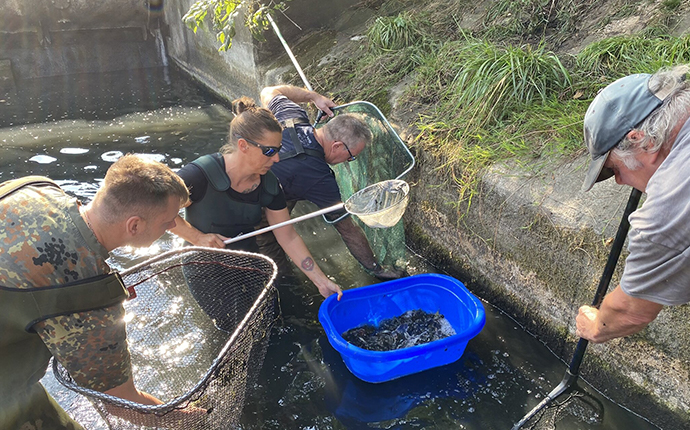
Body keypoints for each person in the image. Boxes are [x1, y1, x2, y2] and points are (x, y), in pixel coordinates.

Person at [0, 154, 194, 430]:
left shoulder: (36, 188)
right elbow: (122, 402)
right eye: (169, 220)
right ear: (134, 226)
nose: (173, 226)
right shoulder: (89, 294)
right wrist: (193, 418)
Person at [169, 96, 342, 300]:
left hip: (248, 262)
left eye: (277, 150)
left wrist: (320, 281)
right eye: (269, 151)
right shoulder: (199, 175)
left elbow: (287, 235)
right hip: (204, 268)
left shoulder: (269, 185)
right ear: (243, 145)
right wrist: (198, 238)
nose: (276, 158)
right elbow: (157, 212)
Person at [576, 64, 690, 343]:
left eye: (615, 170)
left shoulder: (665, 210)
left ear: (643, 142)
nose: (619, 182)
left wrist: (597, 325)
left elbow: (629, 312)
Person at [259, 85, 404, 280]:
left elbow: (269, 92)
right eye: (351, 157)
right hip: (248, 206)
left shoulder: (294, 115)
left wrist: (313, 97)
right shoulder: (318, 177)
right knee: (276, 269)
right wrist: (376, 269)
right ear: (337, 146)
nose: (349, 162)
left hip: (252, 177)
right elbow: (348, 230)